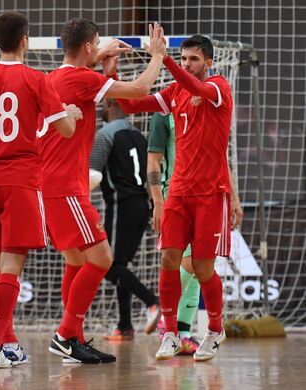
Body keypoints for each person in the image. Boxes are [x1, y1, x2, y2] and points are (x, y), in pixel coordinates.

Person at [0, 11, 82, 369]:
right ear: (25, 40)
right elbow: (66, 130)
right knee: (13, 263)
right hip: (22, 178)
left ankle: (8, 342)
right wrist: (71, 112)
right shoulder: (37, 79)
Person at [39, 18, 167, 364]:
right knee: (102, 260)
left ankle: (74, 340)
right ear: (87, 48)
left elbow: (94, 92)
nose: (102, 47)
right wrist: (156, 56)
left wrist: (108, 70)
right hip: (66, 187)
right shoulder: (79, 78)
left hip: (53, 185)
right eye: (98, 44)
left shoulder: (55, 78)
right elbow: (140, 90)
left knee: (76, 261)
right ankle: (65, 335)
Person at [118, 35, 237, 361]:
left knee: (202, 268)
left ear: (209, 62)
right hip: (178, 193)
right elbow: (131, 104)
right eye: (182, 59)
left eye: (193, 59)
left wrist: (164, 59)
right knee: (169, 260)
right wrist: (111, 75)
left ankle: (215, 328)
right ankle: (170, 332)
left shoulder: (218, 88)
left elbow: (198, 90)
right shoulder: (173, 93)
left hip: (211, 194)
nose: (186, 64)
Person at [148, 112, 243, 355]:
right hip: (174, 197)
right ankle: (167, 324)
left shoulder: (209, 108)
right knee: (179, 262)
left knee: (198, 267)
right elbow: (153, 161)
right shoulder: (163, 113)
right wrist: (158, 201)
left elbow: (219, 157)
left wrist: (233, 197)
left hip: (207, 198)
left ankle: (183, 330)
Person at [90, 98, 160, 342]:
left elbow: (92, 176)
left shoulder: (104, 135)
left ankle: (152, 302)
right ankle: (125, 325)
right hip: (142, 204)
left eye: (101, 104)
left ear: (109, 105)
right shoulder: (139, 136)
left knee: (106, 265)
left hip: (122, 204)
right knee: (120, 264)